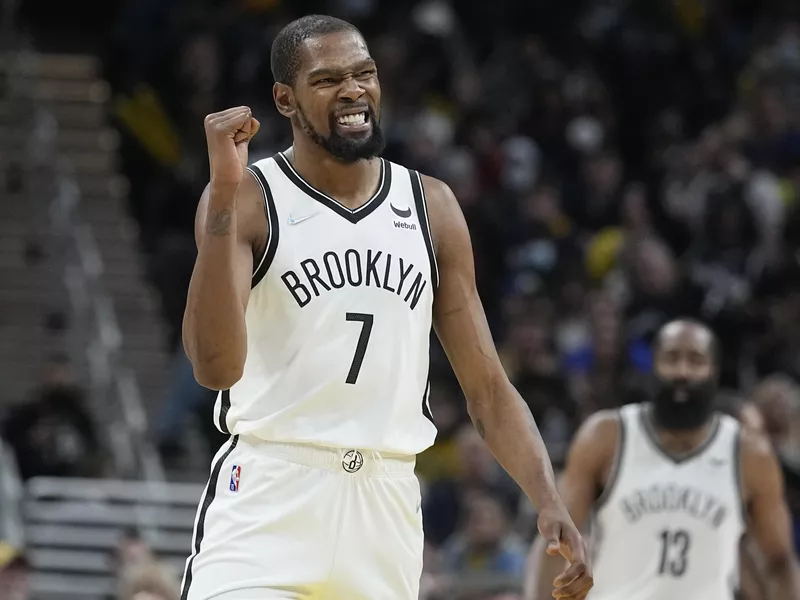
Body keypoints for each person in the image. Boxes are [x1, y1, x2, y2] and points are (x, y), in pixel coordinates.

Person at [180, 14, 592, 600]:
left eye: (364, 73)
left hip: (386, 502)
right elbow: (214, 368)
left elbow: (489, 390)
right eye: (326, 80)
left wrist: (549, 501)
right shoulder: (247, 198)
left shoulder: (432, 207)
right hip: (271, 494)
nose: (353, 90)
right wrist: (220, 198)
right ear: (285, 100)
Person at [525, 319, 800, 599]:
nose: (682, 371)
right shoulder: (605, 436)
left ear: (713, 370)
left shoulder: (750, 455)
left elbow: (778, 563)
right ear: (653, 365)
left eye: (695, 360)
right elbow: (554, 541)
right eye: (672, 358)